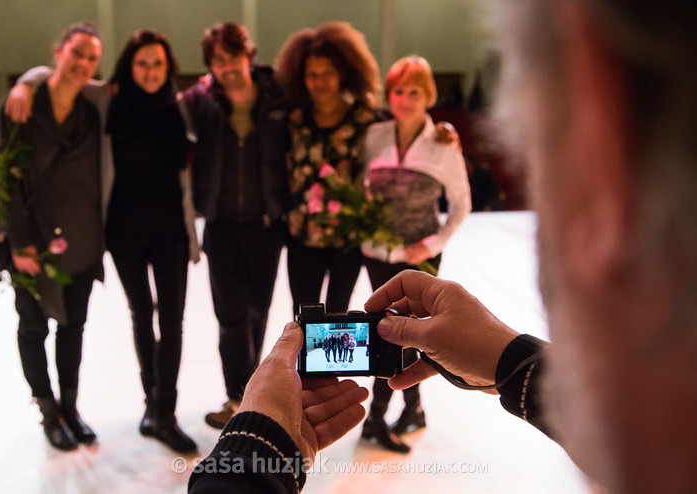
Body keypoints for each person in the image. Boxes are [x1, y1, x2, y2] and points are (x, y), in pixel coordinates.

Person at [188, 0, 697, 492]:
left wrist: (252, 457)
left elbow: (457, 201)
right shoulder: (346, 129)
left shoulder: (409, 135)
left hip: (386, 246)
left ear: (601, 128)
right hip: (332, 240)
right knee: (379, 326)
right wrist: (509, 362)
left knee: (387, 328)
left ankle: (399, 409)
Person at [0, 22, 108, 452]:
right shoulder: (23, 107)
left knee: (72, 329)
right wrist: (19, 243)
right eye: (76, 53)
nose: (82, 63)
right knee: (32, 326)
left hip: (80, 240)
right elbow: (6, 175)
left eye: (91, 58)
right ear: (58, 51)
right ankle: (47, 408)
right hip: (32, 242)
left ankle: (70, 406)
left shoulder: (91, 112)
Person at [360, 55, 471, 453]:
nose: (404, 99)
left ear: (428, 95)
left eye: (413, 91)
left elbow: (461, 205)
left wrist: (429, 245)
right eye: (397, 90)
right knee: (392, 332)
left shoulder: (442, 143)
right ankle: (413, 410)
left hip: (421, 257)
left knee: (400, 334)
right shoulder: (374, 136)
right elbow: (359, 193)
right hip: (377, 253)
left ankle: (375, 419)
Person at [182, 22, 290, 430]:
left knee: (257, 311)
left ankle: (252, 393)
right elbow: (155, 109)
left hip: (266, 225)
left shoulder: (278, 94)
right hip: (221, 225)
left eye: (232, 57)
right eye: (217, 61)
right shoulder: (202, 100)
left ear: (249, 55)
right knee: (230, 317)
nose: (226, 67)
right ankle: (236, 397)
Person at [103, 30, 199, 453]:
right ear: (129, 65)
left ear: (169, 67)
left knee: (172, 320)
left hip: (169, 233)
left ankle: (166, 411)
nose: (150, 72)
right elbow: (55, 80)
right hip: (123, 230)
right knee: (141, 314)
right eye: (141, 63)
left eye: (158, 64)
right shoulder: (111, 103)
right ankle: (150, 404)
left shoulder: (179, 108)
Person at [274, 21, 381, 317]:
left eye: (328, 73)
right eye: (312, 74)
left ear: (343, 74)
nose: (319, 81)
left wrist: (442, 133)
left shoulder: (364, 119)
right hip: (302, 237)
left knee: (337, 315)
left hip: (347, 240)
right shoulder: (293, 121)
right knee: (304, 316)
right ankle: (301, 366)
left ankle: (334, 365)